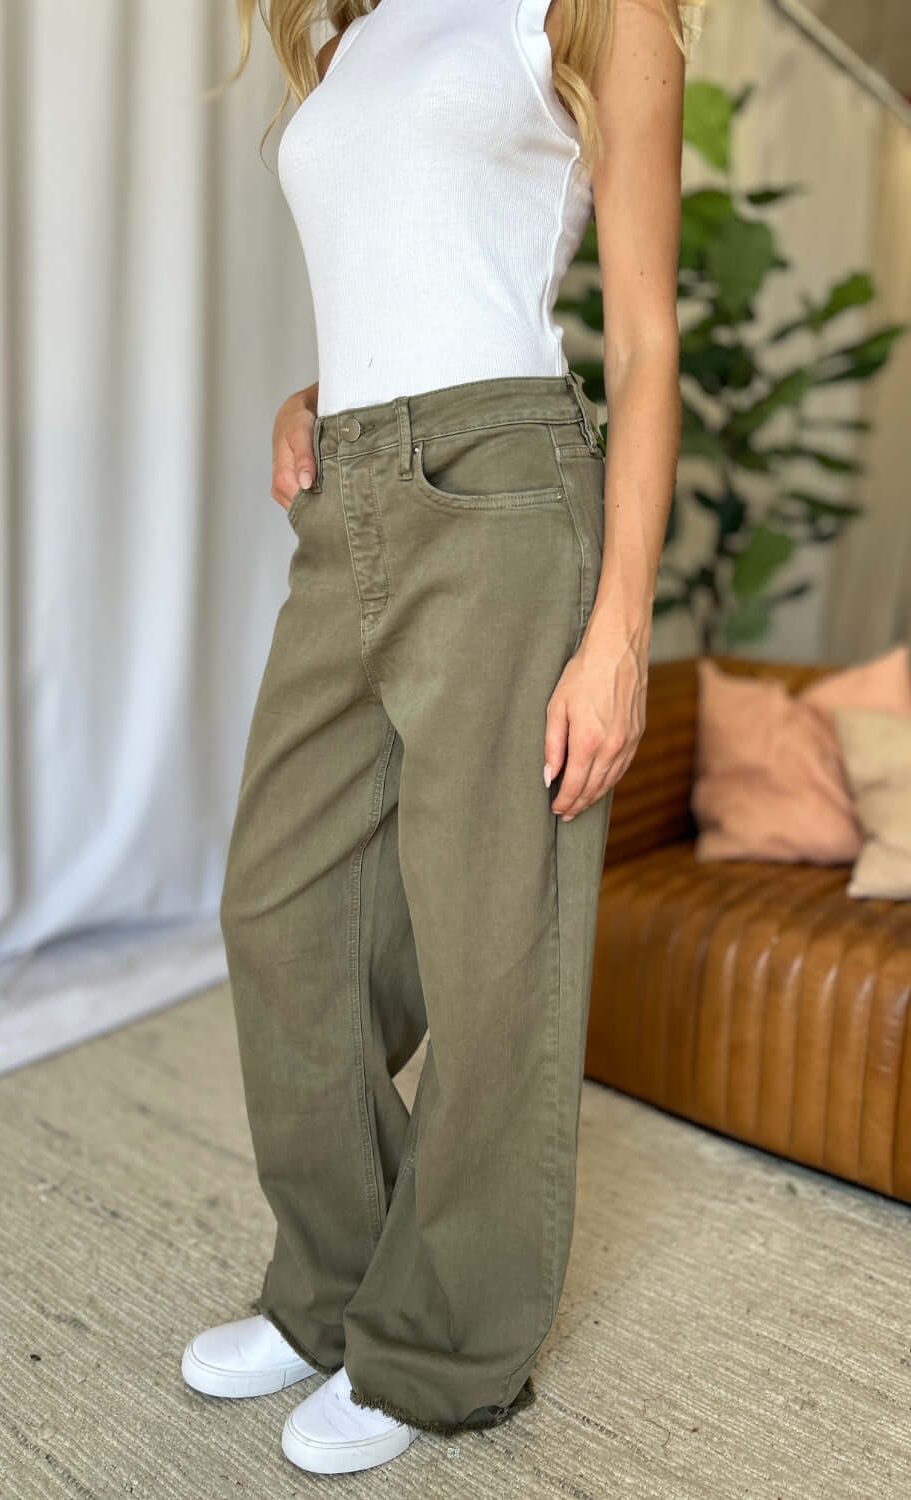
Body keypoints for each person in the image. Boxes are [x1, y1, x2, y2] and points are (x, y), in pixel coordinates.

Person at [184, 0, 698, 1476]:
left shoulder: (592, 11)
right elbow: (406, 259)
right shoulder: (359, 31)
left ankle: (443, 1350)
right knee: (281, 909)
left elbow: (646, 341)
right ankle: (334, 1288)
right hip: (352, 491)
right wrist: (321, 397)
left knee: (492, 943)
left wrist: (619, 635)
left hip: (502, 491)